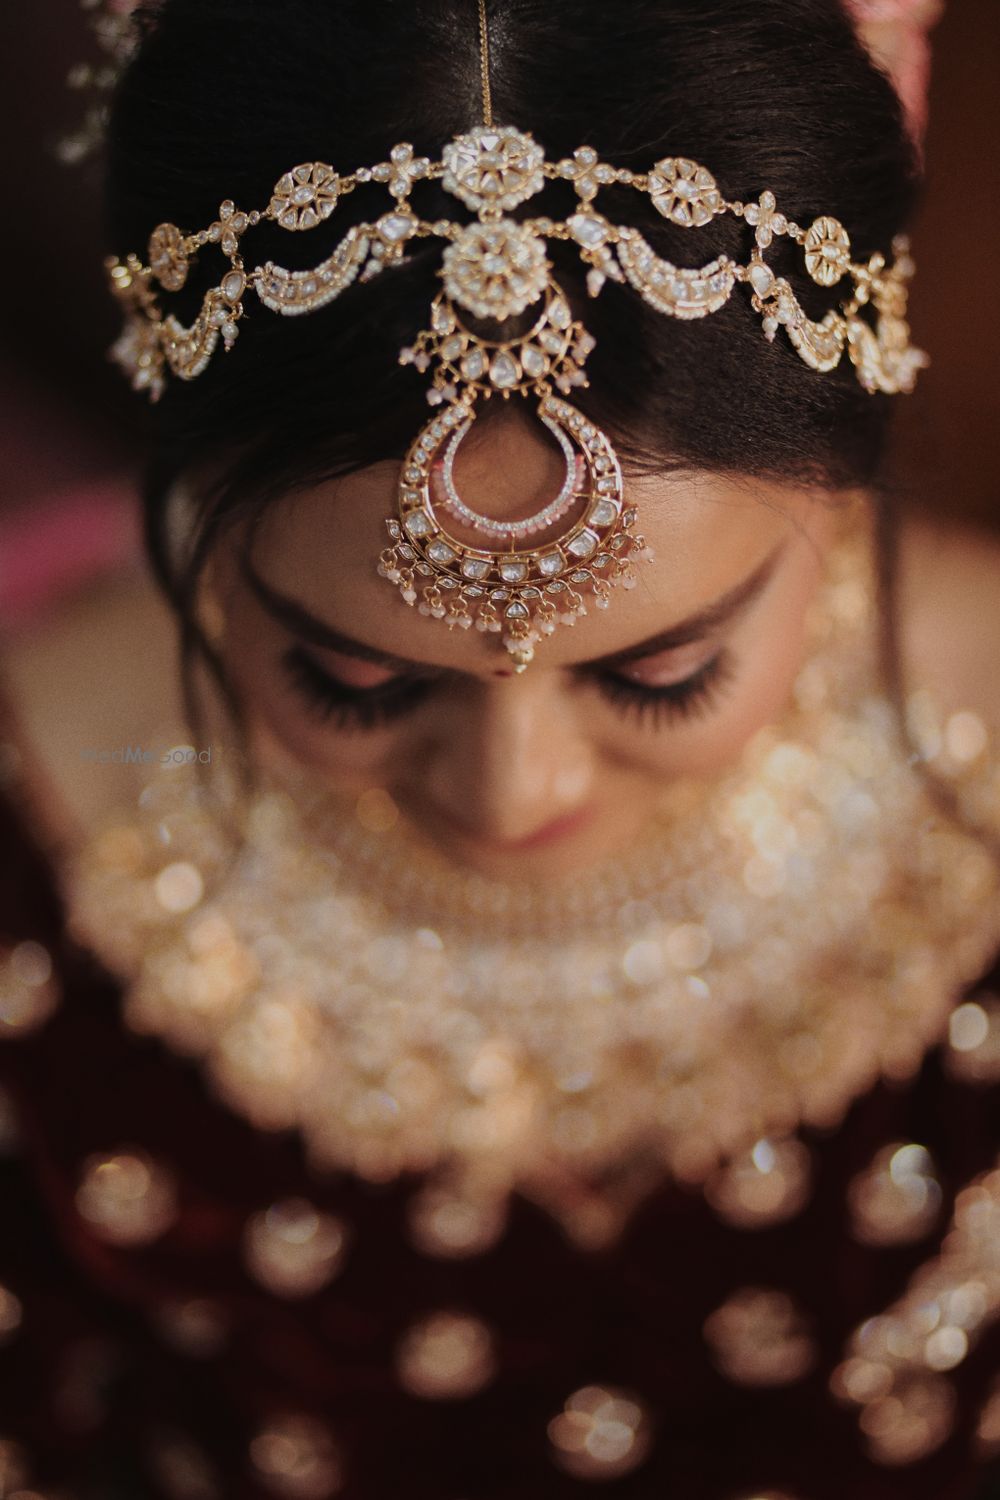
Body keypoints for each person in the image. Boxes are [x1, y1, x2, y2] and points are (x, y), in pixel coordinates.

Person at [1, 0, 999, 1496]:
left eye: (665, 673)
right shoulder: (32, 836)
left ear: (842, 479)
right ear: (200, 507)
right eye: (350, 680)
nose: (511, 788)